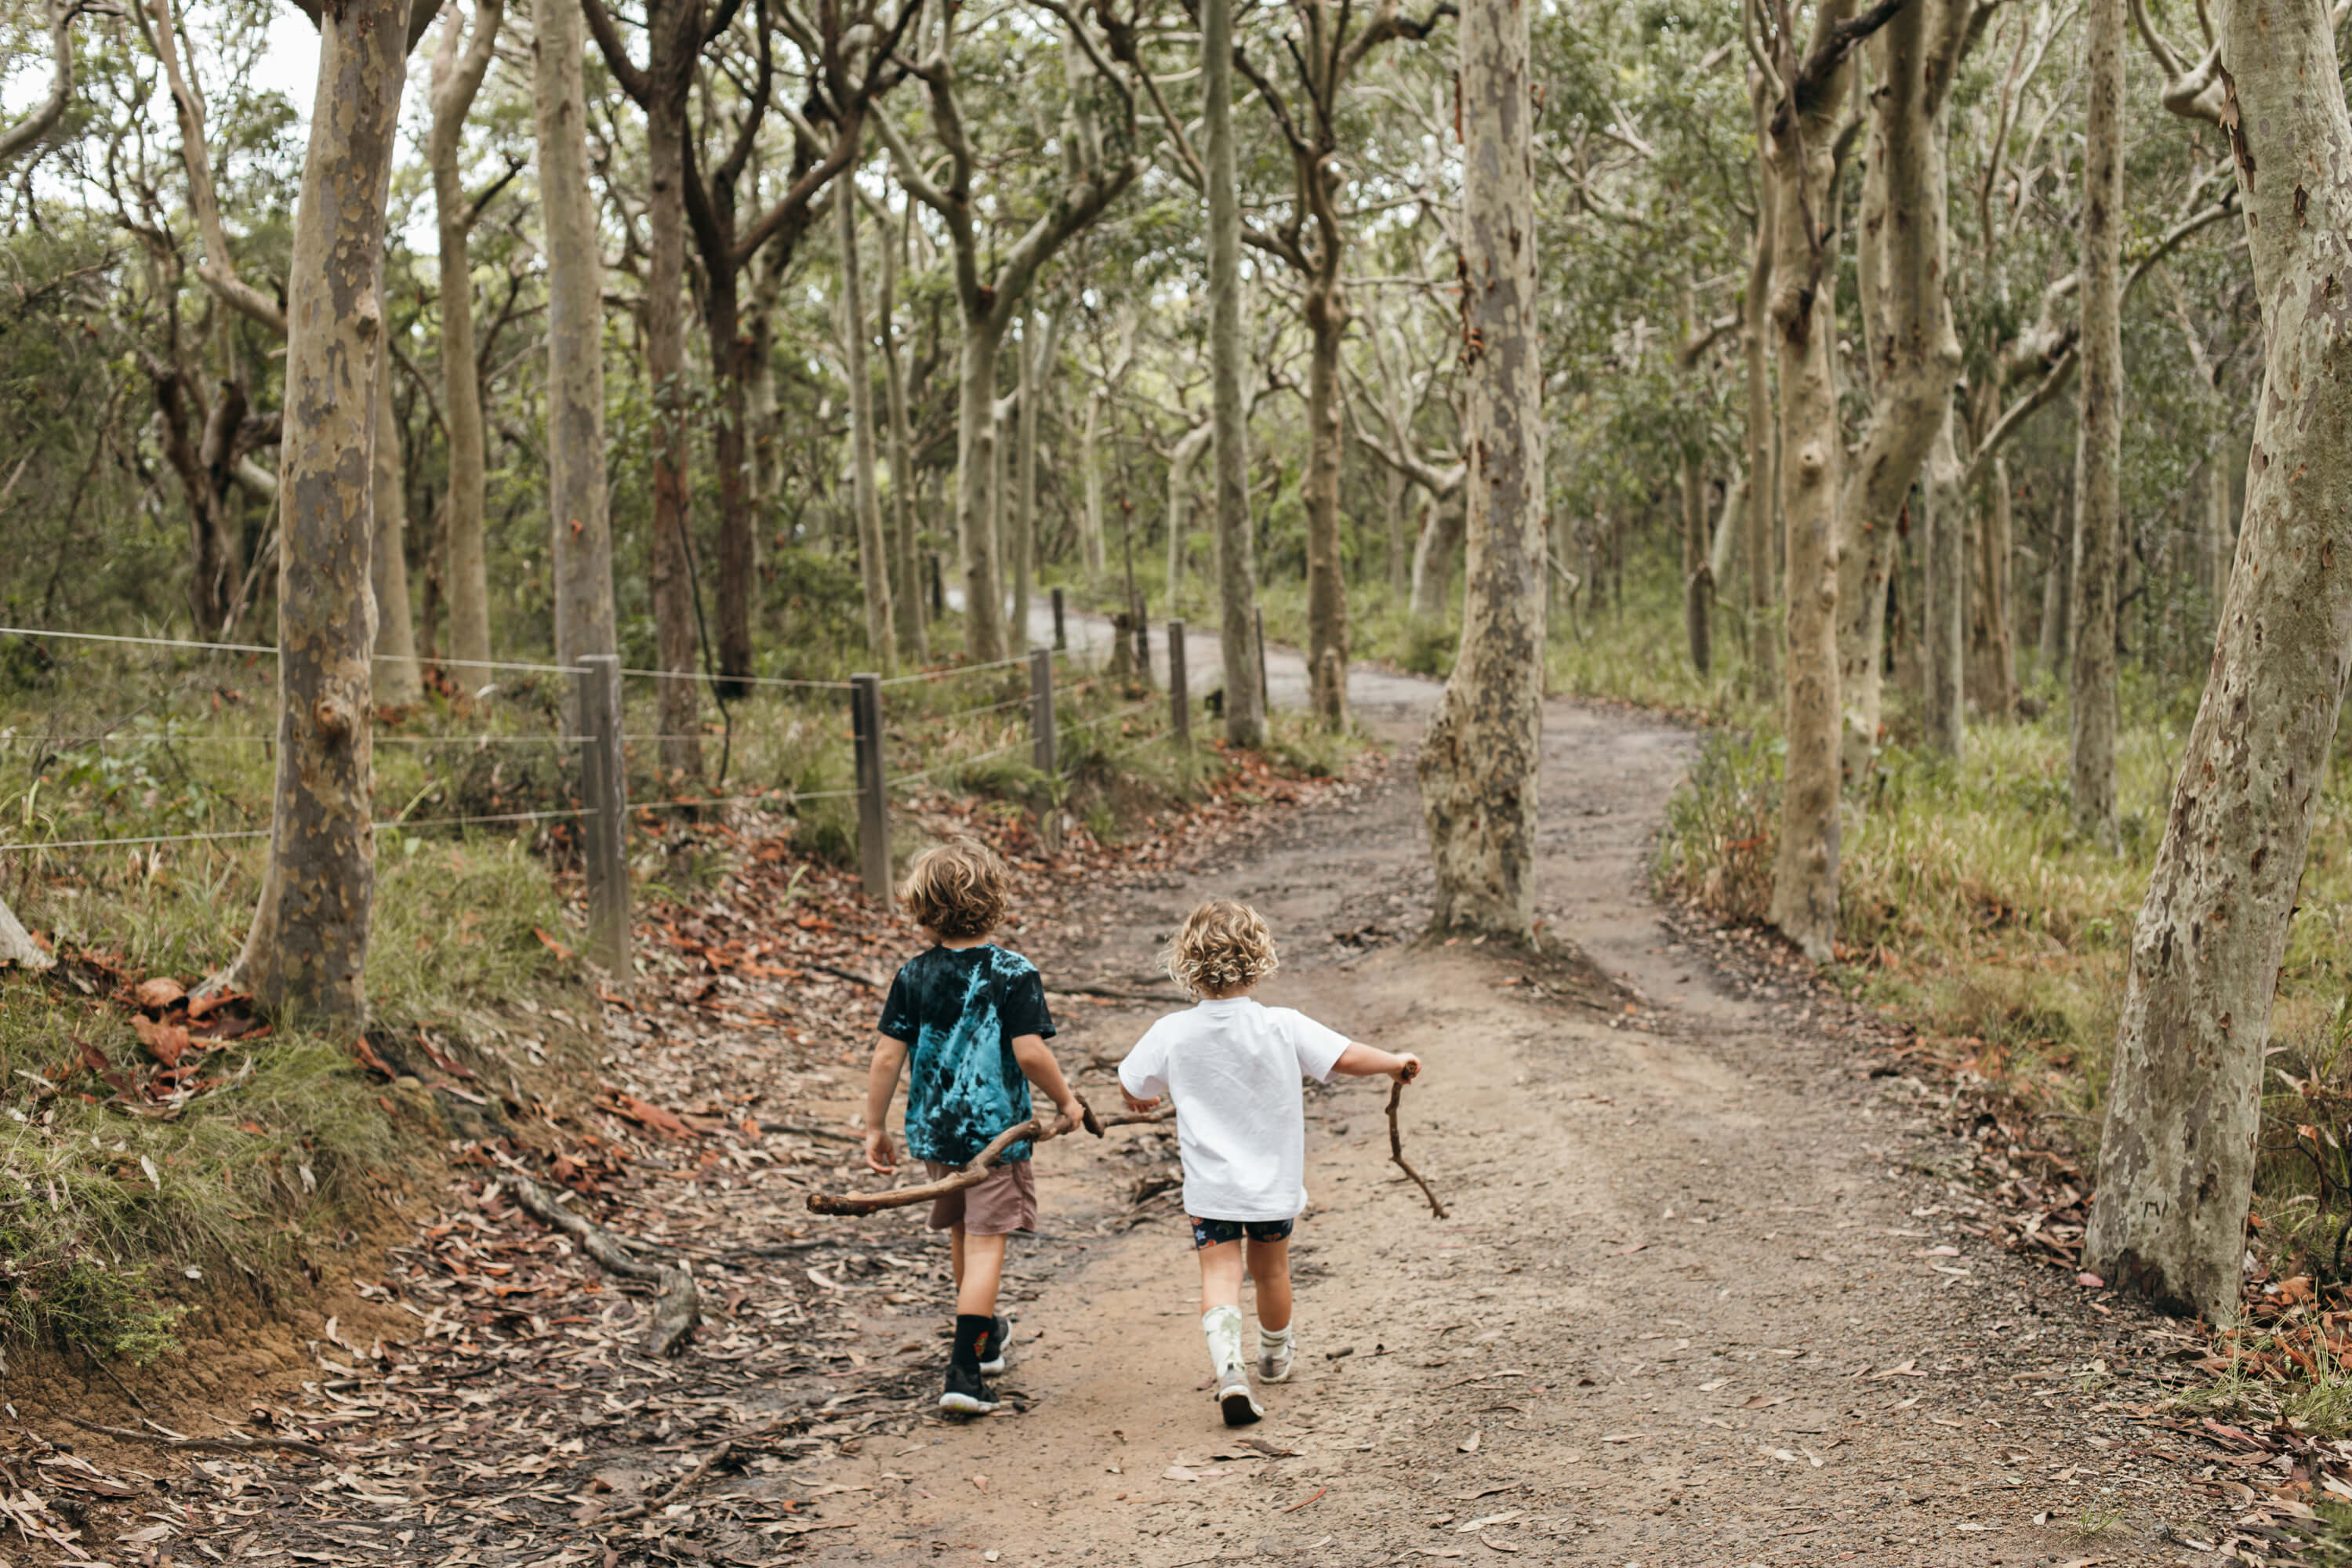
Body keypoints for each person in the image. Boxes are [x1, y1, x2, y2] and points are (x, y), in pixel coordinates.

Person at [1117, 899, 1422, 1426]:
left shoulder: (1172, 1031)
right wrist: (1393, 1063)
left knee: (1220, 1274)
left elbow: (1131, 1081)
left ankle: (1229, 1368)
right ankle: (1275, 1355)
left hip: (1211, 1189)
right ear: (1259, 960)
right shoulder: (1282, 1025)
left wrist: (1137, 1099)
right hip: (1271, 1186)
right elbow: (1345, 1057)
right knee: (1271, 1270)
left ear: (1186, 964)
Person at [865, 839, 1086, 1416]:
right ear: (995, 901)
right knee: (988, 1244)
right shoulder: (1013, 972)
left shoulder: (913, 975)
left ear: (923, 907)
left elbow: (886, 1058)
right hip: (994, 1136)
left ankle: (983, 1340)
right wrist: (1066, 1102)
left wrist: (874, 1127)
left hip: (936, 1130)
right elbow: (1031, 1052)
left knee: (966, 1233)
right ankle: (965, 1373)